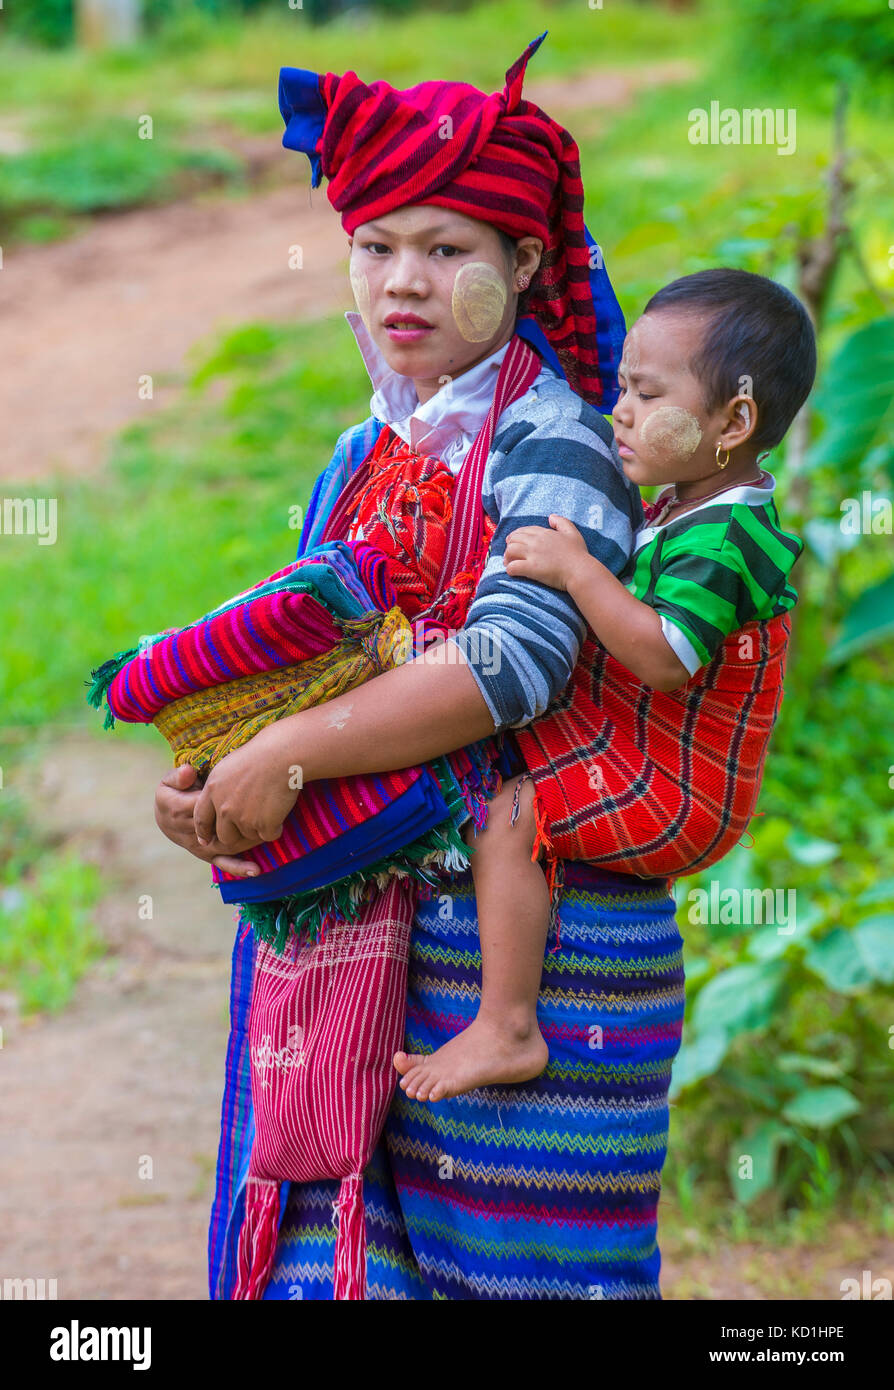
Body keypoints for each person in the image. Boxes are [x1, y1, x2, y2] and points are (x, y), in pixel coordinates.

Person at [157, 36, 689, 1301]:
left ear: (526, 265)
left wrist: (284, 754)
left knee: (524, 1271)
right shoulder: (358, 452)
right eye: (377, 246)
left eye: (449, 251)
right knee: (334, 1264)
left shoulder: (562, 438)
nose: (405, 282)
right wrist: (211, 770)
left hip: (533, 948)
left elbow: (515, 664)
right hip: (351, 936)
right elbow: (299, 667)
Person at [394, 268, 815, 1105]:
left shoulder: (729, 537)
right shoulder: (685, 504)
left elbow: (663, 656)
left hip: (676, 790)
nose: (618, 409)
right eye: (621, 384)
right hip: (636, 746)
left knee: (507, 817)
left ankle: (508, 1026)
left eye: (645, 392)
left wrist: (581, 572)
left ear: (733, 421)